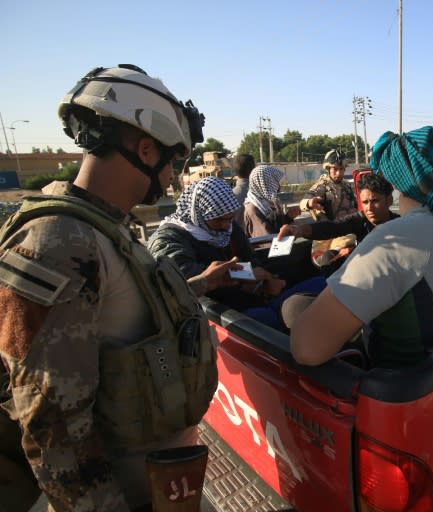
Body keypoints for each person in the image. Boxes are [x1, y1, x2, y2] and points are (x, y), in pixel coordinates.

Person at [0, 64, 239, 511]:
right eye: (173, 161)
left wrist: (200, 284)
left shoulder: (103, 228)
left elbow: (121, 315)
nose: (173, 175)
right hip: (120, 492)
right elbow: (54, 427)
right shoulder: (60, 242)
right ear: (145, 149)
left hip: (157, 478)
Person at [289, 126, 433, 368]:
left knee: (293, 306)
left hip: (402, 381)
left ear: (398, 184)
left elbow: (306, 349)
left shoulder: (397, 239)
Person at [147, 176, 325, 331]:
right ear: (199, 213)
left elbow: (251, 260)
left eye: (229, 219)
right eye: (218, 220)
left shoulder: (230, 228)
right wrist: (247, 276)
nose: (226, 226)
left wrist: (264, 283)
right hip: (222, 312)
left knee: (321, 284)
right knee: (268, 321)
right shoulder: (170, 239)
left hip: (254, 297)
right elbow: (186, 279)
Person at [277, 172, 399, 268]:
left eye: (375, 201)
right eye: (365, 202)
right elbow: (333, 226)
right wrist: (300, 230)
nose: (369, 208)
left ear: (389, 201)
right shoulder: (360, 219)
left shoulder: (402, 224)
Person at [243, 164, 299, 237]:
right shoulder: (253, 209)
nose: (278, 185)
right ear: (266, 183)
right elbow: (267, 238)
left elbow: (277, 224)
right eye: (275, 181)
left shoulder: (272, 201)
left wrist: (288, 217)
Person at [300, 148, 356, 221]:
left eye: (341, 169)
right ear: (328, 169)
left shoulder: (347, 186)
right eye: (335, 169)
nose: (338, 173)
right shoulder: (322, 186)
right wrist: (309, 203)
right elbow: (303, 203)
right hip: (332, 229)